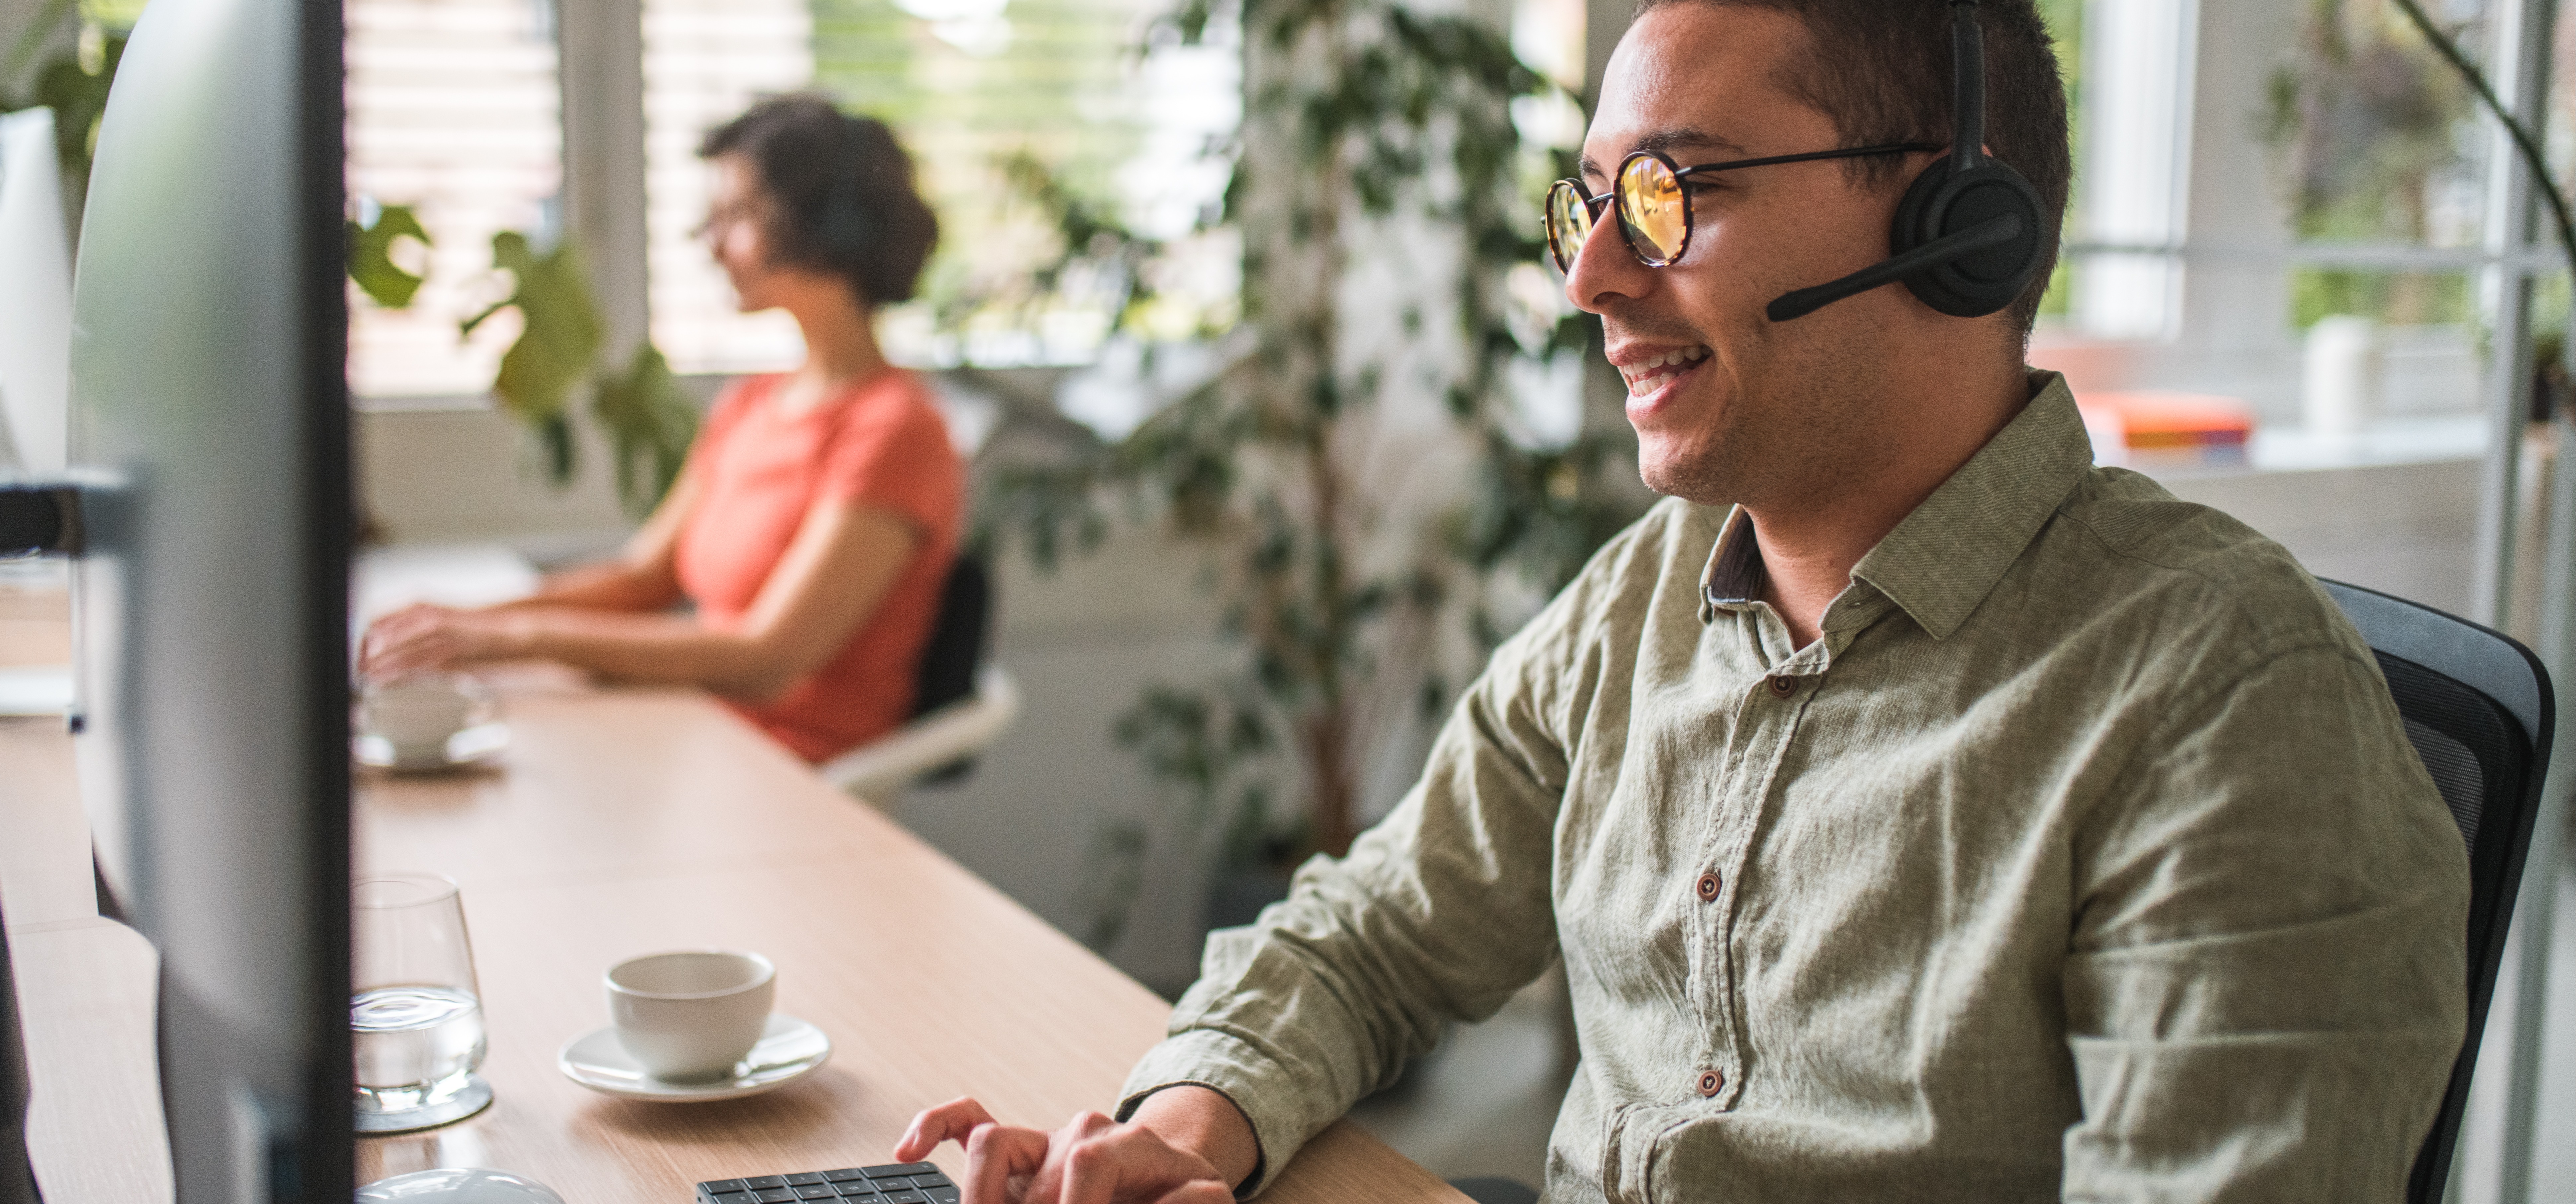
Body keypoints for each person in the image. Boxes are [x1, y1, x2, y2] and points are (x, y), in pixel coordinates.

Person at [892, 2, 2469, 1202]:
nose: (1590, 282)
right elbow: (1374, 935)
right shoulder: (1644, 594)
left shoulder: (2226, 696)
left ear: (1954, 227)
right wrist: (1183, 1132)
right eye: (1589, 205)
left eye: (1671, 194)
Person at [362, 95, 965, 764]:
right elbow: (642, 576)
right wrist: (466, 624)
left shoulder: (896, 430)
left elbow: (768, 658)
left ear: (826, 224)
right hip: (696, 735)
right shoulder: (754, 404)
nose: (709, 241)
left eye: (736, 215)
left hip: (785, 772)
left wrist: (519, 638)